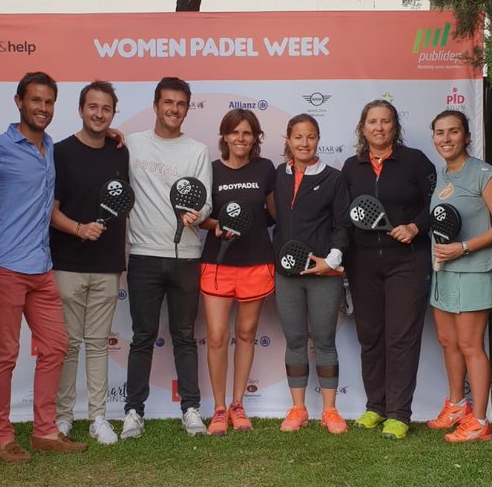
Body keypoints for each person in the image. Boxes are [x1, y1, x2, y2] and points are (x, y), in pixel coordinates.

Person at [0, 72, 86, 462]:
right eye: (36, 100)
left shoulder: (50, 147)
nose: (43, 108)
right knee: (4, 354)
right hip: (4, 265)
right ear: (19, 102)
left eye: (49, 102)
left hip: (40, 267)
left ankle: (45, 431)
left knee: (56, 346)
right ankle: (2, 437)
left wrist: (113, 134)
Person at [121, 77, 212, 439]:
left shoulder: (198, 150)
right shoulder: (131, 145)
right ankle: (133, 412)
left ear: (187, 109)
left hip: (186, 257)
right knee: (142, 336)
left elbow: (205, 203)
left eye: (180, 104)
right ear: (156, 105)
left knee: (185, 336)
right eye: (167, 102)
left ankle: (191, 409)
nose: (174, 109)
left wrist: (197, 215)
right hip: (143, 255)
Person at [342, 99, 436, 440]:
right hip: (362, 263)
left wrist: (415, 227)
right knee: (371, 338)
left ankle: (398, 413)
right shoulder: (352, 168)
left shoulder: (415, 162)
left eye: (385, 121)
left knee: (401, 338)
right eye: (372, 122)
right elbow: (346, 218)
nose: (379, 127)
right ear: (362, 128)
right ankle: (375, 407)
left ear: (395, 127)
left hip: (407, 262)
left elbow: (436, 204)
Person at [50, 81, 129, 446]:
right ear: (81, 109)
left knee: (98, 344)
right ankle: (62, 418)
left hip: (107, 263)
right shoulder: (61, 152)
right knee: (68, 344)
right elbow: (49, 211)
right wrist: (79, 229)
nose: (99, 114)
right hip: (66, 262)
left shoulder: (119, 151)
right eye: (93, 107)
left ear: (113, 113)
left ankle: (97, 416)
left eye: (106, 109)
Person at [427, 110, 492, 442]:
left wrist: (462, 248)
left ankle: (479, 421)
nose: (446, 139)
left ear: (466, 135)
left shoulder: (484, 174)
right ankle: (457, 406)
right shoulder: (442, 175)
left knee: (469, 345)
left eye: (453, 132)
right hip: (443, 273)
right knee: (448, 342)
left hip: (473, 271)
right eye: (439, 133)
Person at [200, 110, 276, 435]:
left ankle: (238, 405)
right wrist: (218, 225)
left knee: (246, 334)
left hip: (257, 262)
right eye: (235, 133)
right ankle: (218, 408)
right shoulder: (211, 169)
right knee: (217, 336)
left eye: (247, 133)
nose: (241, 139)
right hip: (217, 262)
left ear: (255, 138)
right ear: (225, 136)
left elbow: (274, 214)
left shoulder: (266, 169)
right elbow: (201, 216)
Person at [273, 114, 350, 434]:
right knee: (294, 340)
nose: (304, 143)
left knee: (324, 341)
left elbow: (343, 224)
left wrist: (330, 262)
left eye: (311, 137)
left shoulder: (333, 177)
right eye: (298, 137)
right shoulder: (278, 174)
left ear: (318, 140)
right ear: (288, 141)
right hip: (287, 275)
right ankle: (298, 408)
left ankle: (330, 411)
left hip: (322, 274)